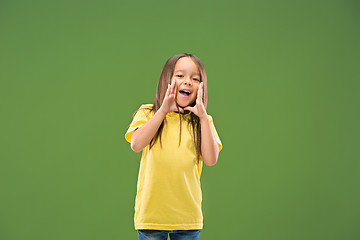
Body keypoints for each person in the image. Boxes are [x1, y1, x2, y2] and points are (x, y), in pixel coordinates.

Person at [125, 53, 223, 240]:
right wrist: (162, 111)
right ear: (166, 81)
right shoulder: (148, 113)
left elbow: (211, 159)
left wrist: (203, 117)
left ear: (201, 88)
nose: (188, 82)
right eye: (180, 76)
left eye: (195, 78)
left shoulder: (203, 122)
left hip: (187, 218)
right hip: (152, 216)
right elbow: (136, 144)